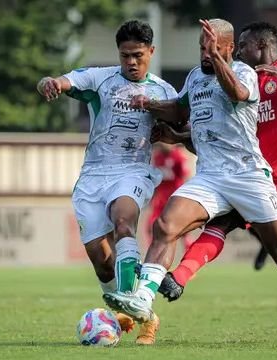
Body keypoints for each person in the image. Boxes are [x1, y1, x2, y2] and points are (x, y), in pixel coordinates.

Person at [103, 18, 277, 337]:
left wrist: (219, 60)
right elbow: (179, 109)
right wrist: (151, 104)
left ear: (228, 49)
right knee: (165, 225)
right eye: (201, 47)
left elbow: (237, 93)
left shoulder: (244, 73)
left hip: (249, 176)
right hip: (211, 178)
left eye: (211, 47)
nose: (204, 54)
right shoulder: (196, 78)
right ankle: (143, 298)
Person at [37, 19, 177, 345]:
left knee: (124, 223)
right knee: (102, 264)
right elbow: (63, 80)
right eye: (126, 55)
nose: (131, 61)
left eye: (138, 55)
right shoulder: (100, 79)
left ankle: (130, 309)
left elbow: (185, 128)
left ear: (151, 52)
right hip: (93, 177)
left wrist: (169, 132)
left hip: (132, 172)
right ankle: (142, 312)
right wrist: (50, 83)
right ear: (119, 53)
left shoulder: (164, 91)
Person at [146, 143, 192, 249]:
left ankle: (188, 246)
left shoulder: (178, 156)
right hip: (161, 199)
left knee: (181, 225)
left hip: (175, 197)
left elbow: (185, 178)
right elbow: (155, 180)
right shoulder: (157, 156)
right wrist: (153, 197)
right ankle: (152, 250)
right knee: (151, 226)